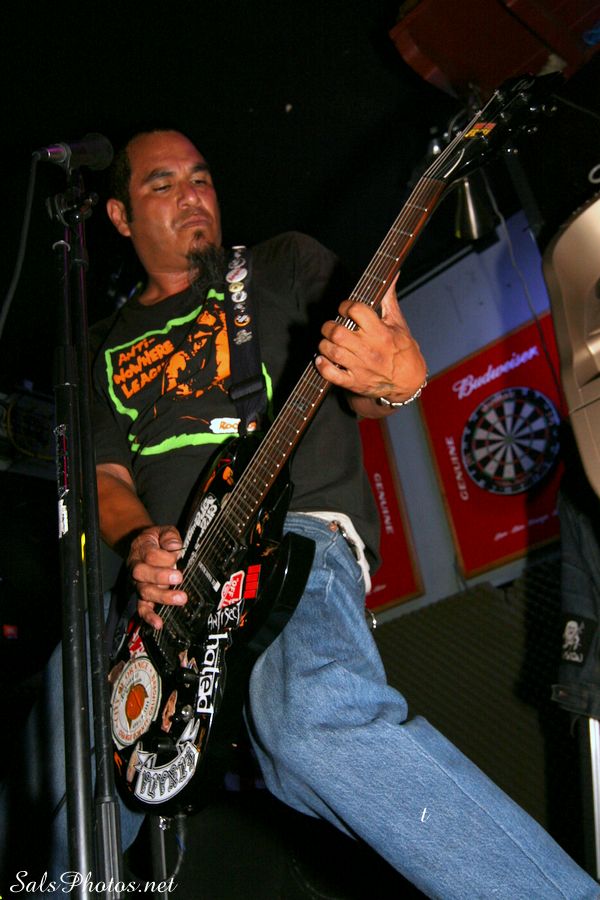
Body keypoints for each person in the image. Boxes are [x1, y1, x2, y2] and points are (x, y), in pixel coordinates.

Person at [3, 128, 596, 898]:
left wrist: (394, 379)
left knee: (310, 722)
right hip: (153, 596)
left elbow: (367, 371)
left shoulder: (280, 262)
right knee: (61, 777)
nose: (192, 195)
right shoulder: (98, 347)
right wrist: (139, 539)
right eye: (163, 184)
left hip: (290, 537)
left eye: (201, 177)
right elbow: (105, 478)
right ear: (118, 215)